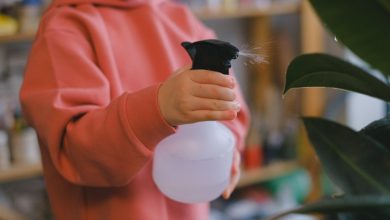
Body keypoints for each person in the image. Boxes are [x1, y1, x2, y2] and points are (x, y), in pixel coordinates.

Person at [20, 0, 250, 219]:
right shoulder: (65, 30)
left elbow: (231, 108)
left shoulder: (183, 19)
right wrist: (156, 108)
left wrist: (228, 147)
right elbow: (75, 152)